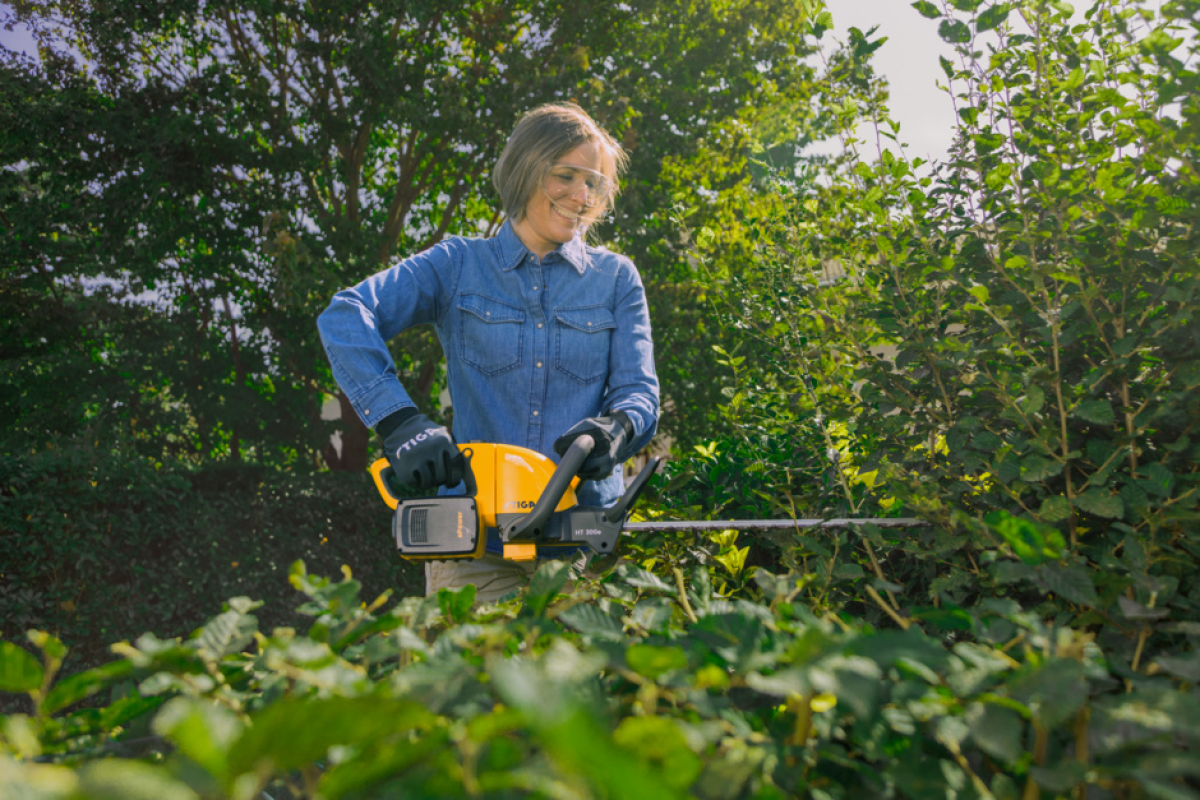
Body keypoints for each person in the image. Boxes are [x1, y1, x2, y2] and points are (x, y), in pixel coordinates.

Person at [317, 103, 659, 603]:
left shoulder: (616, 279)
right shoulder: (457, 265)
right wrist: (399, 421)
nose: (581, 196)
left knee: (579, 682)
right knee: (472, 681)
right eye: (566, 176)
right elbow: (346, 314)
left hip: (580, 552)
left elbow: (639, 393)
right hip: (474, 550)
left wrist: (618, 428)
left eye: (594, 184)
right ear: (526, 169)